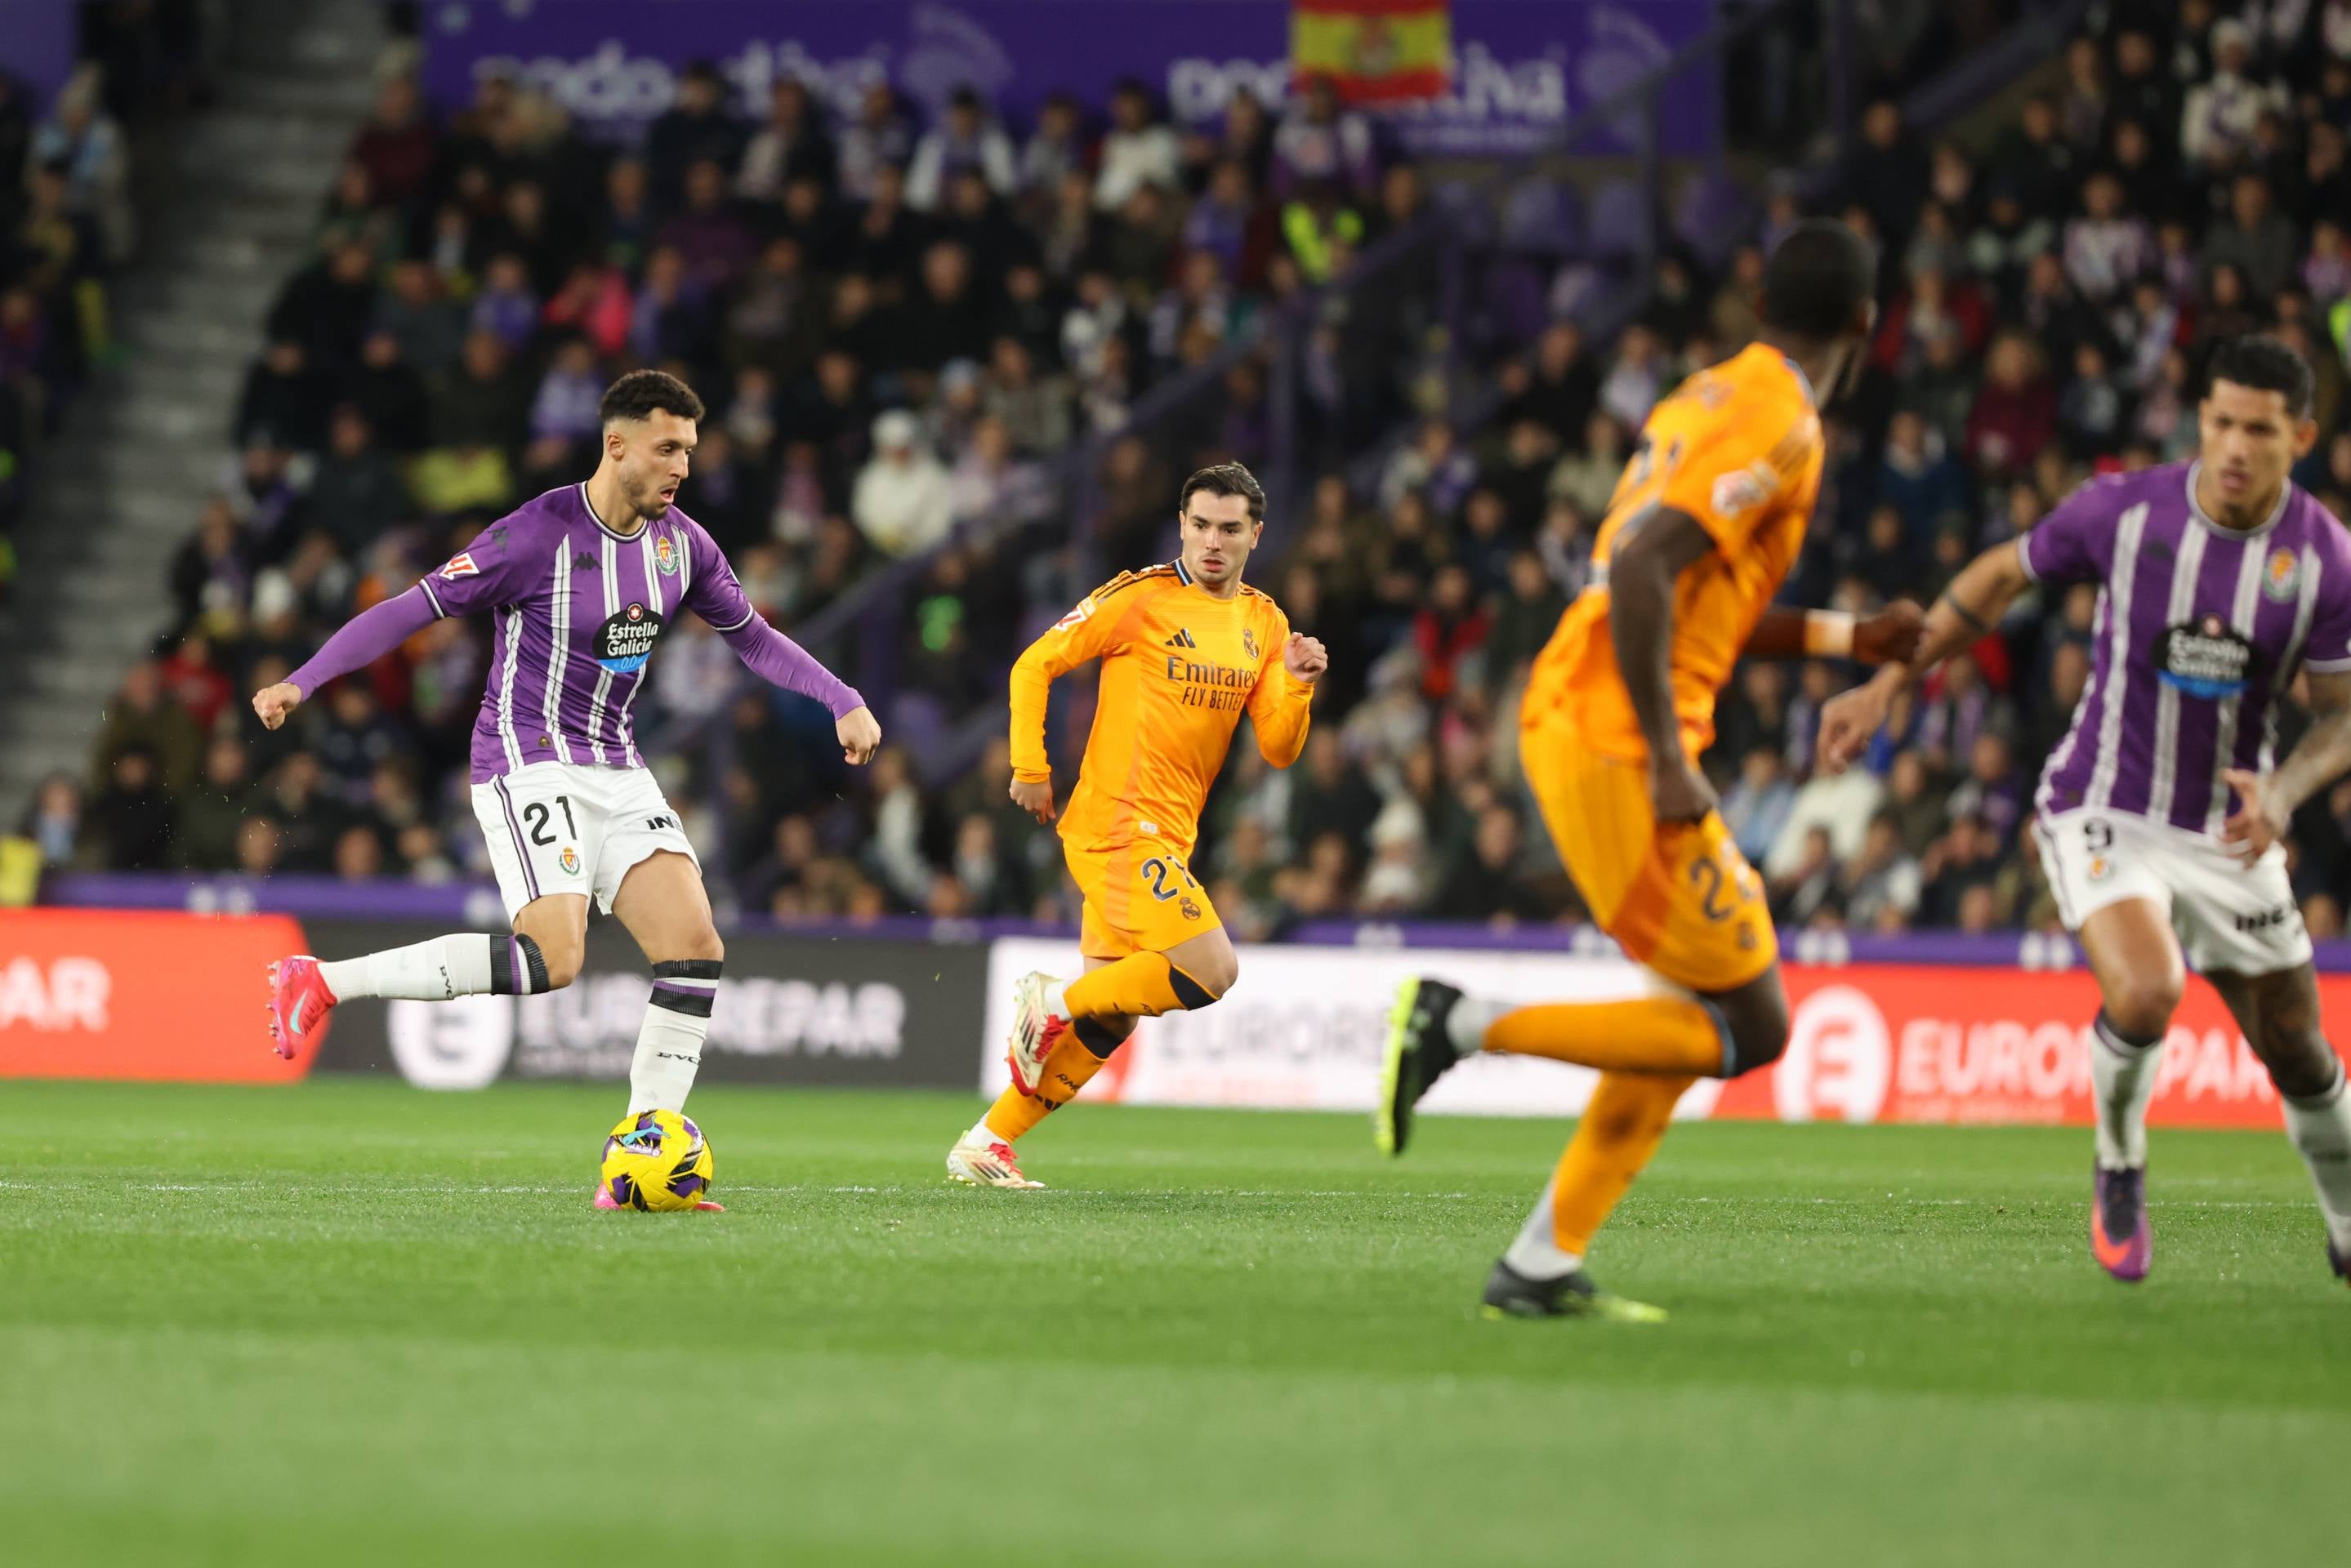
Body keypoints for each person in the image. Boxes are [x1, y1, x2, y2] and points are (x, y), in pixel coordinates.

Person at [1376, 221, 1923, 1320]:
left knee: (1681, 1012)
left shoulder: (1702, 398)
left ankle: (1537, 1264)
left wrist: (1842, 639)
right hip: (1616, 739)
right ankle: (1457, 1021)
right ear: (1866, 325)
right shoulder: (1784, 424)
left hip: (1584, 714)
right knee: (1751, 1023)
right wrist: (1670, 760)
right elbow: (1639, 567)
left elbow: (1683, 588)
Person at [255, 372, 881, 1207]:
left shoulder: (682, 547)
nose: (681, 468)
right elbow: (412, 608)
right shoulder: (535, 534)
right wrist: (305, 679)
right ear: (615, 444)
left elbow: (756, 639)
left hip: (615, 762)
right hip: (526, 755)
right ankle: (322, 981)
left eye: (689, 452)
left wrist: (842, 697)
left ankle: (639, 1159)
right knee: (554, 959)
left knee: (695, 945)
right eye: (666, 449)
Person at [1818, 336, 2351, 1292]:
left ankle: (2346, 1222)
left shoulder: (2322, 559)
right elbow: (1991, 582)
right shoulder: (2124, 512)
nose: (2233, 445)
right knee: (2146, 993)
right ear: (2199, 419)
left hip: (2228, 829)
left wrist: (2283, 790)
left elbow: (2342, 717)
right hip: (2102, 805)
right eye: (2219, 420)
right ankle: (2117, 1159)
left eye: (2258, 430)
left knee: (2302, 1054)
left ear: (2300, 437)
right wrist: (1886, 687)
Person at [944, 462, 1327, 1187]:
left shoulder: (1265, 621)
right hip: (1116, 825)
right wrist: (1030, 765)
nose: (1214, 542)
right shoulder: (1142, 597)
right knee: (1213, 970)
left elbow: (1278, 747)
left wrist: (1300, 686)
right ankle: (1049, 1000)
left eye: (1230, 529)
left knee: (1111, 1018)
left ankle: (987, 1142)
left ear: (1256, 535)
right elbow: (1035, 665)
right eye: (1202, 525)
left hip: (1169, 835)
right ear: (1182, 525)